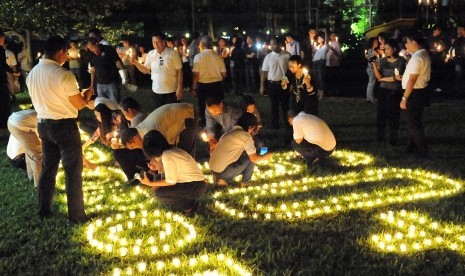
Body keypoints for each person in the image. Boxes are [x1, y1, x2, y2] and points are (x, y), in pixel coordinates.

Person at [26, 35, 92, 223]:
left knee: (48, 169)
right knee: (72, 170)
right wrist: (86, 96)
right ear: (61, 51)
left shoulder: (32, 74)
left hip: (44, 125)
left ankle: (43, 209)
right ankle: (77, 215)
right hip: (64, 126)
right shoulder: (64, 75)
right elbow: (78, 105)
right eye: (67, 52)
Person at [138, 130, 207, 214]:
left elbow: (171, 181)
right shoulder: (169, 151)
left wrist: (150, 183)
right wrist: (157, 167)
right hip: (193, 183)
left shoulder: (168, 156)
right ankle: (189, 202)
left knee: (159, 193)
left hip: (195, 186)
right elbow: (163, 173)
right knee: (157, 179)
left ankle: (190, 206)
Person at [209, 112, 272, 187]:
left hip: (213, 170)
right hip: (223, 172)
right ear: (250, 127)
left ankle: (219, 178)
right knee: (252, 155)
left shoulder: (228, 133)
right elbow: (254, 159)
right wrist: (266, 156)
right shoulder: (245, 136)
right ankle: (245, 183)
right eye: (253, 128)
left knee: (248, 153)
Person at [397, 30, 431, 158]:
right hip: (419, 92)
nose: (406, 45)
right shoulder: (423, 54)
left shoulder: (417, 58)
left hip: (414, 94)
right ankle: (412, 146)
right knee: (413, 121)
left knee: (413, 123)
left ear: (415, 43)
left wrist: (404, 98)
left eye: (408, 43)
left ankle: (422, 151)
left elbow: (412, 80)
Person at [121, 103, 197, 157]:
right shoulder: (140, 129)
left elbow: (162, 149)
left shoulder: (149, 133)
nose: (136, 148)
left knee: (185, 153)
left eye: (133, 146)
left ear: (135, 138)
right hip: (179, 115)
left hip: (186, 115)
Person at [131, 32, 183, 110]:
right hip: (157, 90)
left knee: (172, 114)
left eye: (158, 42)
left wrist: (180, 88)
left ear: (163, 41)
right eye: (154, 42)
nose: (156, 44)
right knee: (159, 115)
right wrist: (136, 63)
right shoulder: (151, 54)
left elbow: (179, 71)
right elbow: (145, 70)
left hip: (171, 90)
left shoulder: (173, 53)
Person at [372, 39, 406, 145]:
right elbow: (378, 77)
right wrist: (374, 65)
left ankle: (393, 139)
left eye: (388, 48)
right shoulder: (383, 61)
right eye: (385, 49)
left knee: (394, 115)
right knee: (381, 115)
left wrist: (383, 79)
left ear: (394, 49)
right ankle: (380, 137)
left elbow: (397, 78)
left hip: (394, 91)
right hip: (383, 90)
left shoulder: (400, 61)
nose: (385, 51)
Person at [192, 36, 227, 125]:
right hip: (216, 85)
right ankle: (219, 123)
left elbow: (196, 74)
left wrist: (194, 87)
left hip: (203, 85)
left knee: (203, 105)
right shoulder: (218, 57)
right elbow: (224, 74)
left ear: (202, 45)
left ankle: (204, 122)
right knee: (217, 104)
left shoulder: (198, 57)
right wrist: (217, 79)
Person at [260, 37, 291, 129]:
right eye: (271, 44)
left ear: (279, 44)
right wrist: (262, 85)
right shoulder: (268, 57)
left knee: (285, 105)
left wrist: (291, 83)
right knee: (274, 105)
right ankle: (275, 125)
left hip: (284, 84)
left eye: (274, 44)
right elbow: (264, 72)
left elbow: (290, 71)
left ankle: (288, 123)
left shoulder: (287, 56)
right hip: (272, 84)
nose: (272, 46)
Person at [7, 109, 42, 187]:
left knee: (31, 151)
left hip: (12, 122)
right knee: (37, 156)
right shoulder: (52, 118)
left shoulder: (43, 110)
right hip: (18, 157)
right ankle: (41, 185)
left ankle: (31, 176)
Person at [87, 37, 124, 103]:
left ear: (96, 43)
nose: (92, 50)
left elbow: (117, 62)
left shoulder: (108, 49)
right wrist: (92, 85)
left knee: (115, 103)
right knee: (103, 104)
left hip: (112, 82)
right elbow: (93, 70)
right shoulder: (91, 54)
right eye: (89, 48)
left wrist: (124, 76)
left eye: (92, 47)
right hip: (99, 84)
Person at [0, 30, 12, 128]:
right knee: (4, 99)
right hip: (1, 80)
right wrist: (13, 72)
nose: (4, 40)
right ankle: (4, 121)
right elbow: (3, 65)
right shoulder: (0, 49)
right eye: (3, 38)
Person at [312, 32, 328, 100]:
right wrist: (313, 50)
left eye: (320, 38)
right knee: (316, 78)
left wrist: (325, 34)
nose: (318, 39)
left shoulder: (325, 46)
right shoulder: (317, 46)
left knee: (320, 77)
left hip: (321, 62)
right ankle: (318, 92)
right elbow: (313, 55)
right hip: (315, 62)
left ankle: (322, 93)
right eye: (318, 38)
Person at [365, 37, 380, 104]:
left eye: (377, 42)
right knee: (371, 83)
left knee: (370, 83)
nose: (377, 43)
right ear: (372, 43)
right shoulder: (371, 51)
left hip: (371, 68)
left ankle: (369, 98)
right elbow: (372, 60)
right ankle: (371, 99)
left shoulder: (372, 50)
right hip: (372, 69)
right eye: (375, 42)